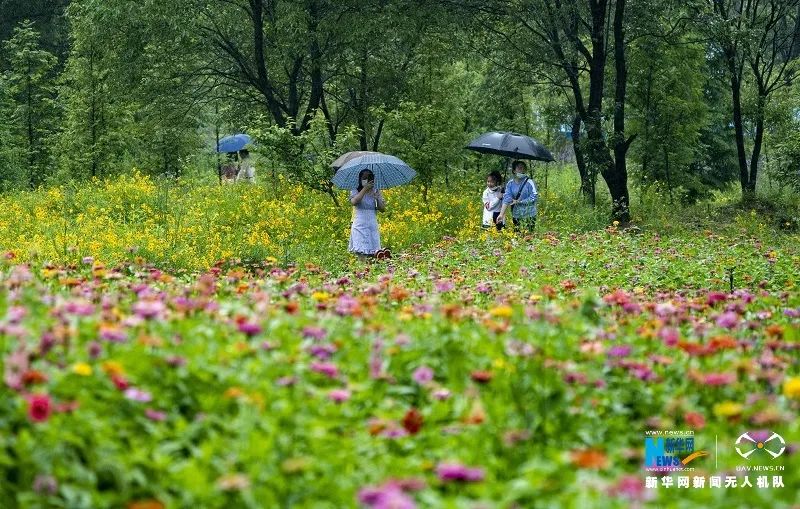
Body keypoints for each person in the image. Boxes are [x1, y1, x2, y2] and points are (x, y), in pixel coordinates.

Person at [349, 169, 387, 259]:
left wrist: (378, 198)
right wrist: (365, 189)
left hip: (372, 225)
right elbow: (354, 202)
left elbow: (382, 209)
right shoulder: (355, 190)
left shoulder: (376, 190)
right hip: (360, 224)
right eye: (364, 178)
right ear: (360, 179)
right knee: (361, 251)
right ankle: (361, 267)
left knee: (374, 253)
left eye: (369, 177)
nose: (366, 180)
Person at [496, 160, 538, 233]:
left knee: (529, 236)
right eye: (519, 168)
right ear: (514, 170)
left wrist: (520, 201)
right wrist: (501, 214)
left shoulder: (530, 182)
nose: (522, 170)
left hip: (530, 214)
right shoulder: (510, 183)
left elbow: (534, 196)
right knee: (517, 234)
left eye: (523, 168)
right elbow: (506, 198)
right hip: (516, 214)